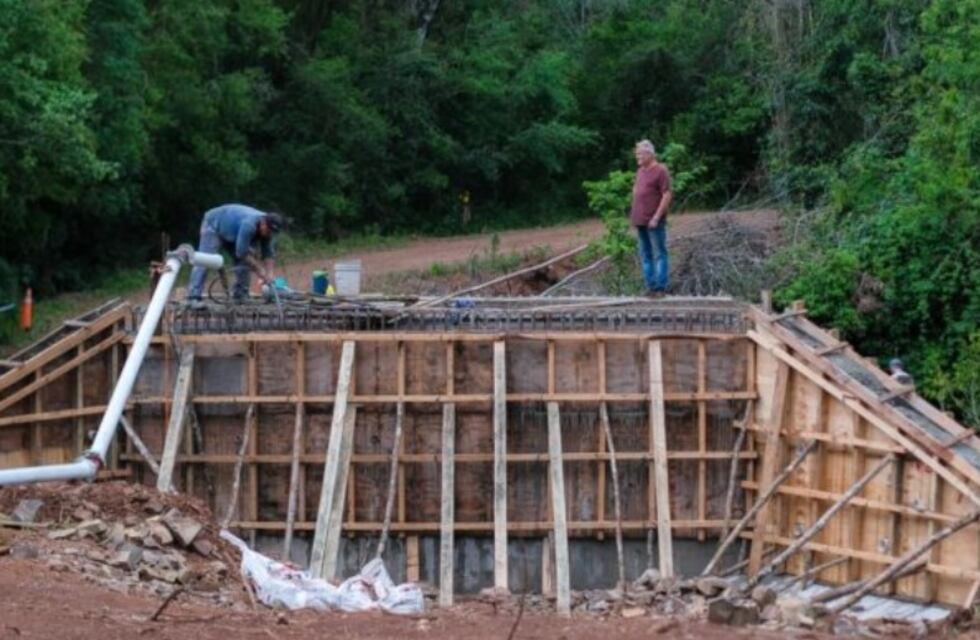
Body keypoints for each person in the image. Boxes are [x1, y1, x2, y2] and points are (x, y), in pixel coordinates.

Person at [186, 204, 284, 303]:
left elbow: (268, 254)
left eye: (272, 232)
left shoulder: (268, 231)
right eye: (268, 230)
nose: (269, 234)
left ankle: (240, 295)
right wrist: (260, 271)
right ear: (263, 222)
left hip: (233, 231)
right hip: (214, 224)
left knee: (245, 261)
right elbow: (241, 253)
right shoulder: (249, 225)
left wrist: (270, 274)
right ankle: (193, 296)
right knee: (205, 260)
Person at [630, 139, 673, 297]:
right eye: (637, 154)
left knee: (659, 253)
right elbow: (637, 192)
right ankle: (651, 287)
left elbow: (667, 194)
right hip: (640, 220)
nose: (638, 157)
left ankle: (660, 288)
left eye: (640, 154)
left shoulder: (661, 170)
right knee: (645, 254)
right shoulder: (640, 171)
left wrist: (656, 217)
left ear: (649, 154)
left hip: (654, 220)